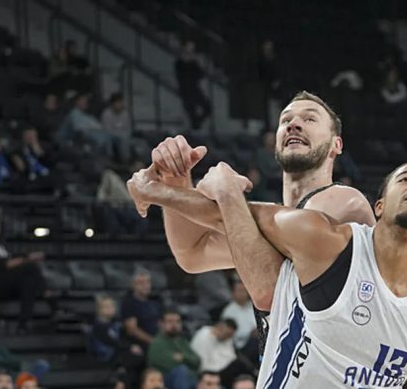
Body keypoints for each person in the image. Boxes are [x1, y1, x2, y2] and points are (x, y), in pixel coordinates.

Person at [127, 90, 376, 359]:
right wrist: (175, 178)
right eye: (286, 120)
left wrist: (167, 194)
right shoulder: (257, 225)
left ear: (335, 145)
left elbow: (270, 286)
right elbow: (192, 253)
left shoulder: (346, 202)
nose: (294, 124)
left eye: (310, 119)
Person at [189, 161, 407, 386]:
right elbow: (210, 238)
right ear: (378, 207)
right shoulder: (325, 243)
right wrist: (169, 191)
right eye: (405, 180)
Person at [147, 310, 200, 389]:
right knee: (182, 371)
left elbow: (197, 361)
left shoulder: (182, 341)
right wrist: (188, 362)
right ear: (161, 324)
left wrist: (182, 357)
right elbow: (167, 364)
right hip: (164, 380)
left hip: (188, 379)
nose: (174, 325)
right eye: (170, 321)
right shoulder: (157, 342)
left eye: (177, 322)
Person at [121, 269, 162, 348]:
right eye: (141, 283)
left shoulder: (154, 301)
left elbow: (160, 323)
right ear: (133, 285)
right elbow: (132, 330)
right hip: (140, 345)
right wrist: (153, 342)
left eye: (147, 282)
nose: (145, 285)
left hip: (157, 341)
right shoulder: (129, 303)